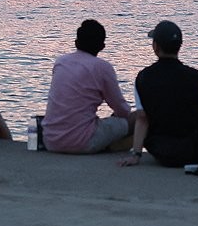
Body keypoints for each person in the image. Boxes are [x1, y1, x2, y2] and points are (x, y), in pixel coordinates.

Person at [119, 20, 198, 167]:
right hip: (193, 149)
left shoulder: (143, 77)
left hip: (159, 148)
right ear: (180, 47)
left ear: (155, 47)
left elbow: (142, 118)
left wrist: (136, 154)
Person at [42, 19, 135, 154]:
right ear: (102, 46)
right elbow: (121, 109)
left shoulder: (60, 62)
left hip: (50, 140)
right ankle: (115, 148)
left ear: (76, 42)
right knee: (138, 120)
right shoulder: (103, 68)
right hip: (82, 142)